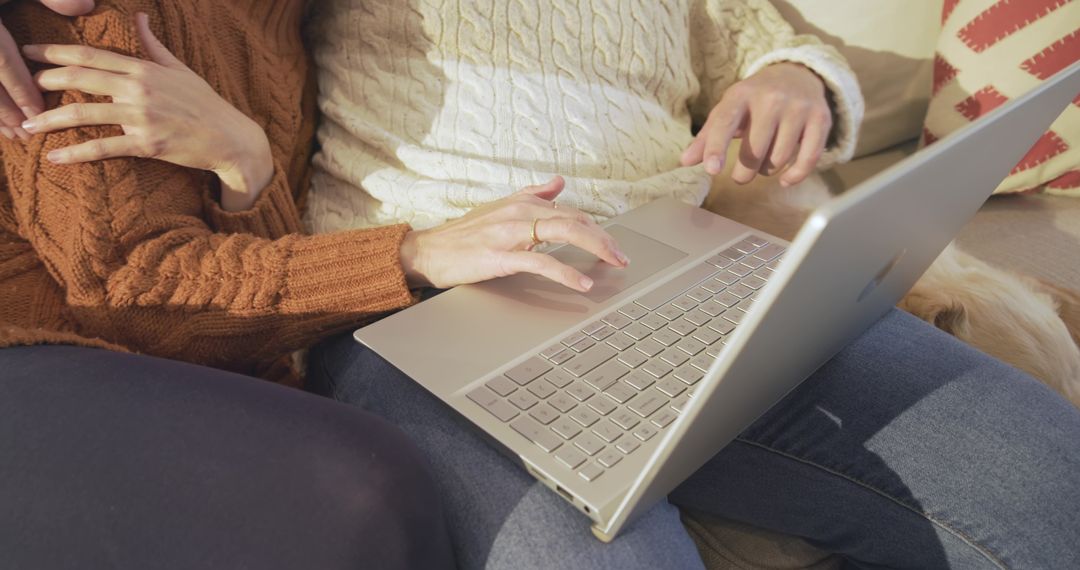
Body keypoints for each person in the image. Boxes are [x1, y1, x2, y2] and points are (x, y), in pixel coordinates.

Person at [7, 1, 1080, 569]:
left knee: (1047, 473)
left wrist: (798, 77)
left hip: (678, 253)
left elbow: (753, 30)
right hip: (420, 301)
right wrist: (391, 245)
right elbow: (144, 272)